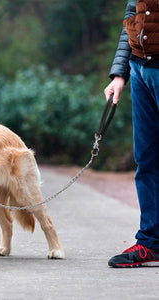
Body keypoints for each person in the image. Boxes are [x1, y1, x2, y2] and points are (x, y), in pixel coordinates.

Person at [104, 0, 159, 268]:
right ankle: (150, 242)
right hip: (139, 70)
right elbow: (132, 14)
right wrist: (120, 74)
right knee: (146, 161)